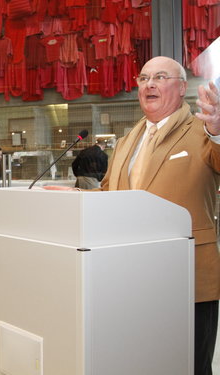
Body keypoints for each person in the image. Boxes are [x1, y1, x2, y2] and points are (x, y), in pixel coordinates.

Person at [47, 56, 220, 375]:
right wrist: (78, 196)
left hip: (188, 277)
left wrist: (218, 132)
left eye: (160, 77)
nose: (149, 84)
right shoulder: (127, 142)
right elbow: (113, 196)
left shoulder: (204, 132)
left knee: (191, 367)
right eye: (143, 78)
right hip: (132, 278)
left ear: (182, 88)